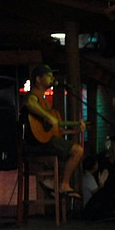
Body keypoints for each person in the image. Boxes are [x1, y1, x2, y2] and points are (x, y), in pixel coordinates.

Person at [23, 64, 84, 197]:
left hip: (46, 141)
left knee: (68, 152)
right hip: (35, 144)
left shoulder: (45, 102)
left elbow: (56, 130)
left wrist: (75, 130)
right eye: (49, 75)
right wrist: (47, 116)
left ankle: (52, 182)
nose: (52, 78)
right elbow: (30, 103)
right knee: (77, 151)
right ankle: (64, 184)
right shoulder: (33, 96)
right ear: (38, 79)